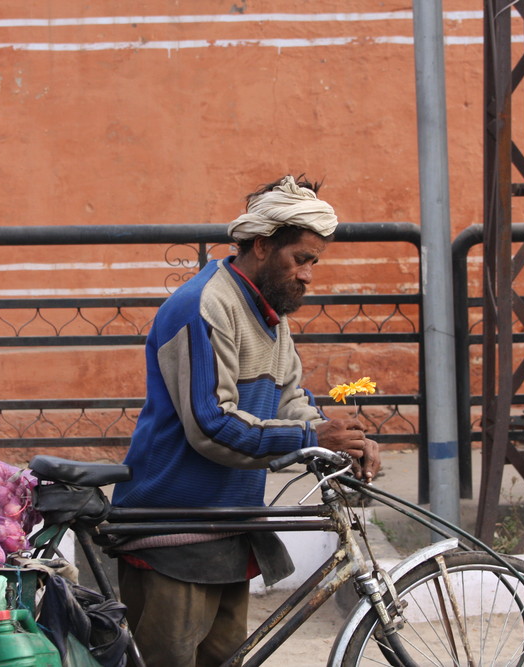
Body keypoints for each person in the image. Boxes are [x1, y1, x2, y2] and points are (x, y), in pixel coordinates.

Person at [110, 174, 381, 667]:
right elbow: (211, 424)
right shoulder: (202, 306)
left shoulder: (270, 319)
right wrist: (310, 436)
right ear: (261, 245)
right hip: (173, 531)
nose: (308, 275)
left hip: (229, 528)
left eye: (313, 263)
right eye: (300, 259)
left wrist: (338, 441)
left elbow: (289, 399)